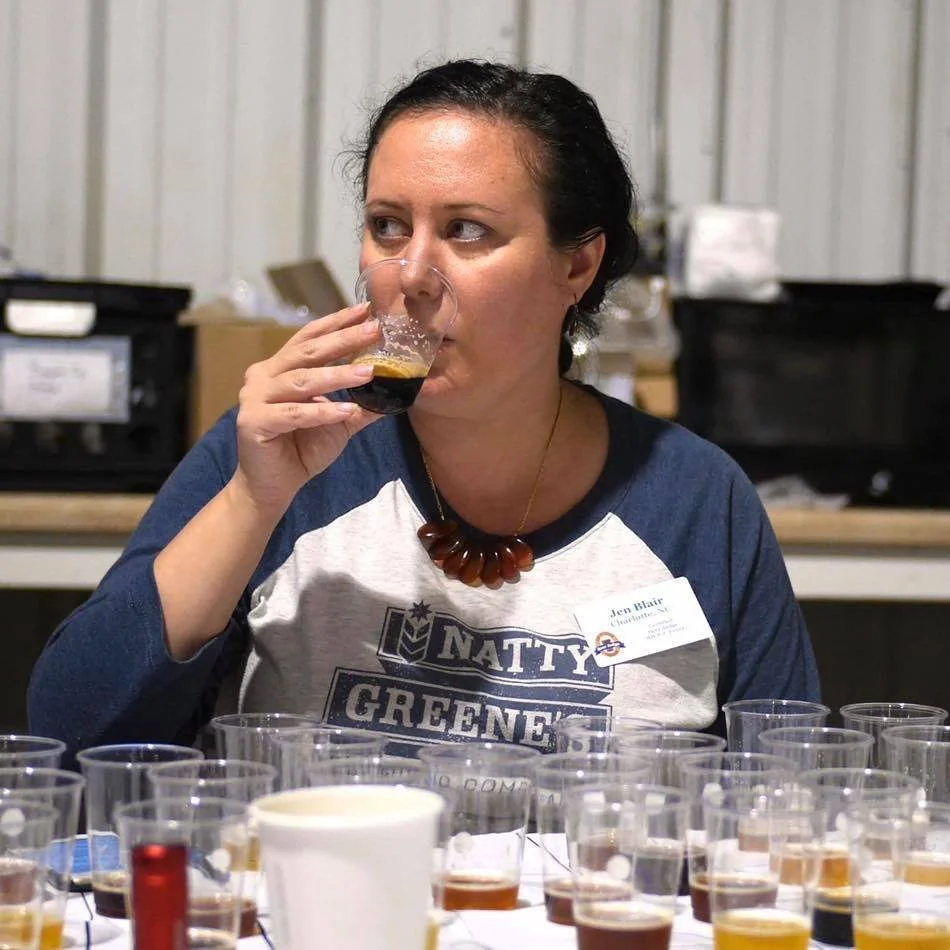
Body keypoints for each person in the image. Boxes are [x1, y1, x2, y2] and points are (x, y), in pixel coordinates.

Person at [27, 60, 819, 763]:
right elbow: (70, 742)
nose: (411, 274)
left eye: (468, 231)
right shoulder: (288, 452)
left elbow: (789, 794)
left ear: (577, 264)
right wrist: (252, 500)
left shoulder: (694, 498)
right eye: (388, 227)